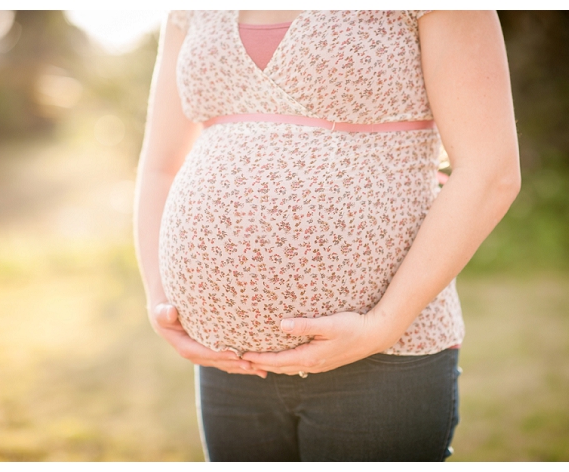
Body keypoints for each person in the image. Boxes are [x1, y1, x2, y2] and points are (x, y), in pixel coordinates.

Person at [134, 10, 520, 461]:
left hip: (384, 355)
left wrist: (382, 325)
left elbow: (489, 171)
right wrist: (160, 299)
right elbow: (159, 168)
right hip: (226, 361)